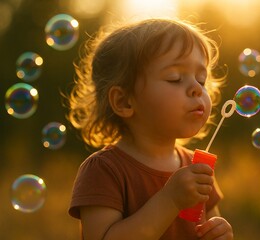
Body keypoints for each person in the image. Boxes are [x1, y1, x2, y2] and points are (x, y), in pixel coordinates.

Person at [67, 17, 233, 240]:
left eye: (201, 80)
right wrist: (170, 200)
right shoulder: (104, 171)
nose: (196, 88)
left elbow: (207, 224)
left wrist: (219, 233)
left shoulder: (197, 166)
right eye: (175, 78)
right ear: (125, 101)